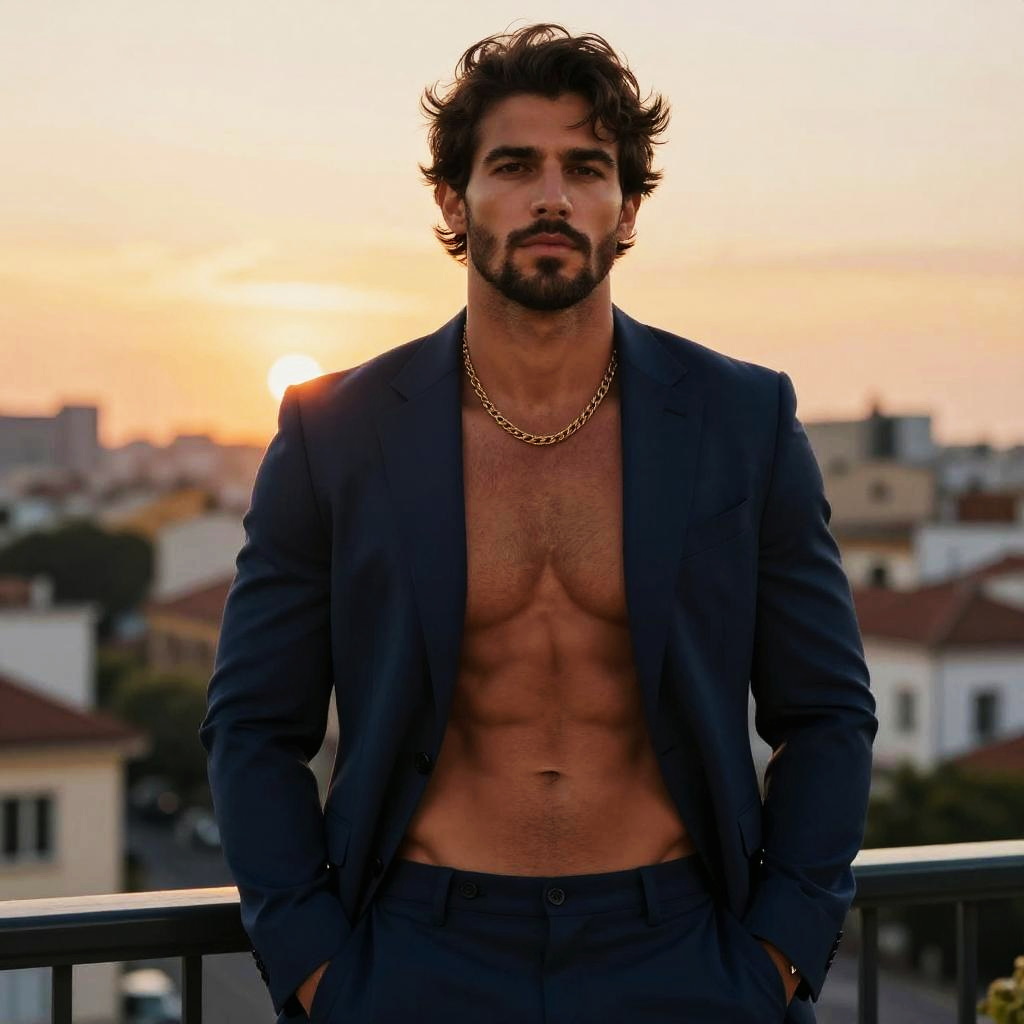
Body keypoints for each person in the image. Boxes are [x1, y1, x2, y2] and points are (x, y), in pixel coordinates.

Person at [199, 24, 877, 1024]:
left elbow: (827, 711)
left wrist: (776, 953)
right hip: (420, 952)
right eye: (514, 165)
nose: (551, 197)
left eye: (586, 168)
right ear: (453, 200)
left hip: (681, 948)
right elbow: (253, 724)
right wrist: (319, 969)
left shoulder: (742, 420)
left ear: (627, 207)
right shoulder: (335, 430)